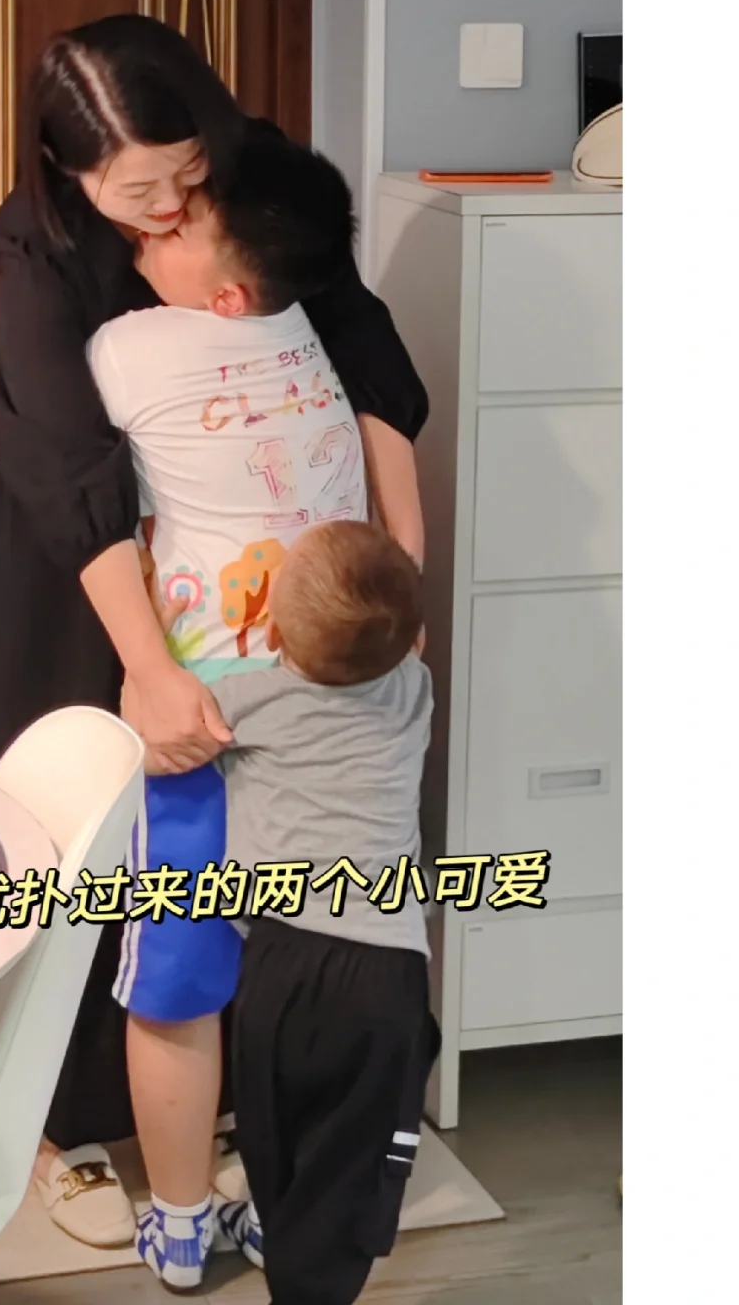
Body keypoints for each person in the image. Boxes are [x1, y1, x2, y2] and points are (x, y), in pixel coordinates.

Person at [0, 13, 429, 1248]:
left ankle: (215, 1143)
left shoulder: (257, 183)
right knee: (64, 846)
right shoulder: (40, 243)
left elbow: (366, 351)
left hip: (245, 603)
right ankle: (42, 1132)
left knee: (215, 894)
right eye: (135, 195)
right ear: (69, 173)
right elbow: (46, 441)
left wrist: (401, 569)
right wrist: (148, 664)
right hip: (79, 558)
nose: (166, 211)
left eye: (185, 178)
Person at [83, 134, 420, 1288]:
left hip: (201, 717)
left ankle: (180, 1223)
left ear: (226, 292)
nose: (155, 225)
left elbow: (8, 406)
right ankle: (288, 1203)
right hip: (333, 711)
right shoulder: (314, 334)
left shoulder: (131, 347)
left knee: (178, 977)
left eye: (181, 224)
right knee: (307, 968)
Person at [208, 520, 441, 1305]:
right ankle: (313, 1273)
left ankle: (285, 1246)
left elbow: (160, 728)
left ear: (272, 632)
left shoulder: (246, 701)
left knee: (272, 1130)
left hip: (287, 961)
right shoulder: (415, 688)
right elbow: (399, 641)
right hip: (388, 970)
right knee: (353, 1159)